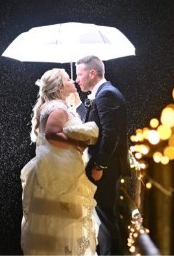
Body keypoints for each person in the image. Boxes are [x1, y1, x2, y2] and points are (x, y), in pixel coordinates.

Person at [21, 68, 100, 255]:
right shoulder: (58, 108)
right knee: (65, 222)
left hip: (57, 167)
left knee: (58, 223)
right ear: (60, 86)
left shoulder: (57, 105)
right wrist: (77, 144)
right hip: (60, 173)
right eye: (68, 79)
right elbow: (51, 134)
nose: (73, 80)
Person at [75, 55, 130, 255]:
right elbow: (91, 124)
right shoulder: (101, 94)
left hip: (106, 168)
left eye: (80, 74)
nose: (77, 79)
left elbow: (111, 135)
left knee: (106, 220)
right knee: (102, 219)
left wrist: (100, 166)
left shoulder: (107, 95)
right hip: (102, 165)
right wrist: (76, 101)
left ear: (93, 73)